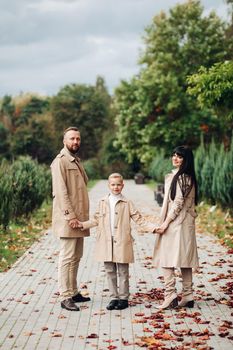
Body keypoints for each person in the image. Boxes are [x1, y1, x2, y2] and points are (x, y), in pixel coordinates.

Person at [78, 173, 157, 310]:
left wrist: (153, 228)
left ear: (123, 185)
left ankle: (123, 298)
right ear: (109, 185)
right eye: (113, 184)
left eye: (118, 184)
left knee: (123, 271)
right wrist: (82, 225)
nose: (116, 187)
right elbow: (96, 219)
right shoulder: (103, 202)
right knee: (110, 270)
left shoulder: (127, 203)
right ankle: (114, 297)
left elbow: (139, 219)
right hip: (106, 241)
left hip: (122, 240)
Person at [153, 145, 199, 309]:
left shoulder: (181, 178)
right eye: (173, 155)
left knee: (166, 258)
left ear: (186, 160)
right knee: (185, 260)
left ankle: (170, 294)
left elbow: (178, 203)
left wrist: (165, 222)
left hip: (176, 223)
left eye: (179, 156)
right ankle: (188, 295)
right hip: (185, 223)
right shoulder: (187, 177)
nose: (175, 158)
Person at [51, 127, 91, 311]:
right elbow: (60, 192)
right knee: (67, 257)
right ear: (64, 140)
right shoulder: (60, 162)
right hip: (69, 219)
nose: (76, 142)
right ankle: (65, 296)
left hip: (79, 219)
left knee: (77, 256)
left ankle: (74, 291)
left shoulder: (75, 160)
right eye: (72, 139)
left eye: (78, 139)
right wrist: (71, 217)